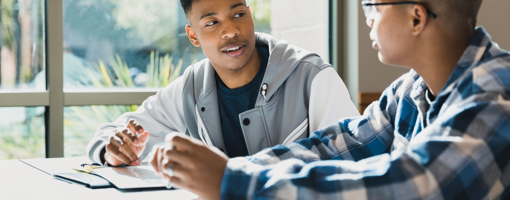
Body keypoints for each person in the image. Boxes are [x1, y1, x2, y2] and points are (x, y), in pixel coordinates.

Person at [150, 0, 510, 199]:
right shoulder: (411, 89)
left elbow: (414, 184)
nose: (366, 18)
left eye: (372, 6)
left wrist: (233, 182)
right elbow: (338, 145)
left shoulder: (495, 92)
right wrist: (233, 170)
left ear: (416, 17)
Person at [86, 0, 359, 167]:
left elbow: (355, 163)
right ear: (193, 36)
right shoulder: (190, 88)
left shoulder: (313, 77)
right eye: (212, 23)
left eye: (238, 14)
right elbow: (110, 133)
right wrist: (114, 151)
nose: (230, 31)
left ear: (251, 14)